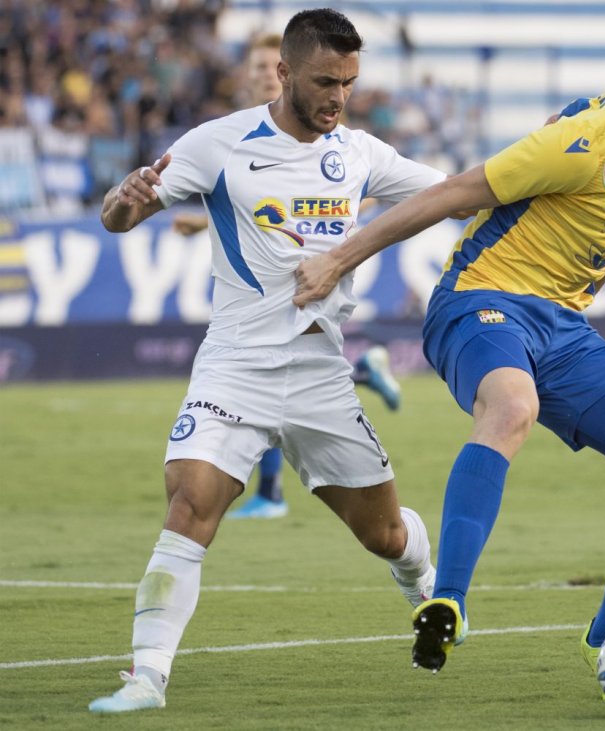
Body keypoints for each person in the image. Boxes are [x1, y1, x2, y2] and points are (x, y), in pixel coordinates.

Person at [293, 43, 605, 674]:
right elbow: (456, 192)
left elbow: (591, 158)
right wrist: (338, 259)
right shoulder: (584, 146)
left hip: (562, 326)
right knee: (512, 407)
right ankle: (446, 601)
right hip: (480, 297)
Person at [89, 9, 444, 713]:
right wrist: (124, 201)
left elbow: (452, 192)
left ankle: (423, 582)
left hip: (319, 373)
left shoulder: (361, 154)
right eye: (324, 82)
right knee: (191, 502)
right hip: (234, 366)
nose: (338, 97)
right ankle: (147, 676)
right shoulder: (216, 144)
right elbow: (118, 217)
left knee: (384, 534)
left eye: (348, 82)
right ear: (283, 73)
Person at [171, 33, 402, 521]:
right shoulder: (231, 137)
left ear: (284, 71)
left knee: (281, 371)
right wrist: (199, 220)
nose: (260, 75)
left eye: (265, 66)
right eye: (254, 66)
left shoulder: (333, 137)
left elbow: (329, 197)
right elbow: (255, 205)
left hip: (309, 295)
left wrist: (340, 244)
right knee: (263, 383)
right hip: (251, 315)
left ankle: (272, 492)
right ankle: (362, 372)